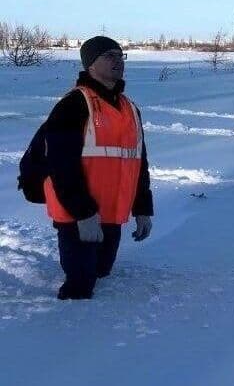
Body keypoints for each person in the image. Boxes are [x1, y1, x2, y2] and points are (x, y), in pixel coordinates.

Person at [43, 36, 154, 300]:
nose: (118, 61)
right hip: (77, 215)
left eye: (120, 55)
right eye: (109, 56)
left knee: (102, 271)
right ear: (90, 64)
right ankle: (66, 334)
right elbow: (61, 165)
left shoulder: (130, 108)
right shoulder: (73, 105)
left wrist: (142, 209)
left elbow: (138, 162)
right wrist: (83, 212)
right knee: (80, 287)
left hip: (112, 212)